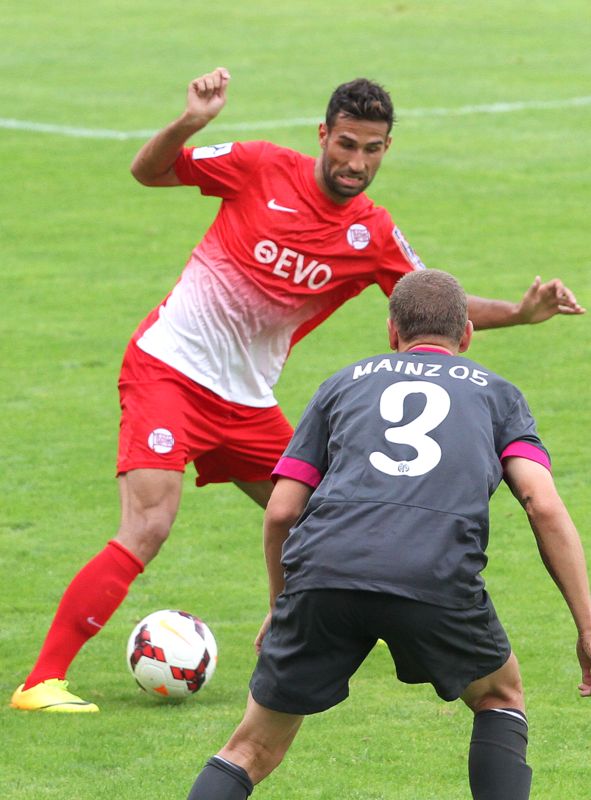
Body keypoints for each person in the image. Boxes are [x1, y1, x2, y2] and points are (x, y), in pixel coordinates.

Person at [11, 68, 585, 713]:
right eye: (346, 144)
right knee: (149, 523)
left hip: (247, 402)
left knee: (325, 518)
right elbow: (150, 171)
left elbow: (437, 308)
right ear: (322, 135)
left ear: (387, 149)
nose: (356, 162)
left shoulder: (371, 232)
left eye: (371, 149)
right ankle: (41, 683)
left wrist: (520, 311)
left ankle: (323, 632)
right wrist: (191, 123)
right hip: (168, 370)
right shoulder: (258, 166)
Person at [184, 269, 591, 800]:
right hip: (433, 575)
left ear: (392, 331)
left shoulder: (342, 383)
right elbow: (542, 503)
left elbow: (281, 511)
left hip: (324, 571)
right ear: (467, 335)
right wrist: (586, 625)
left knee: (251, 748)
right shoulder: (499, 395)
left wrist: (282, 604)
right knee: (499, 697)